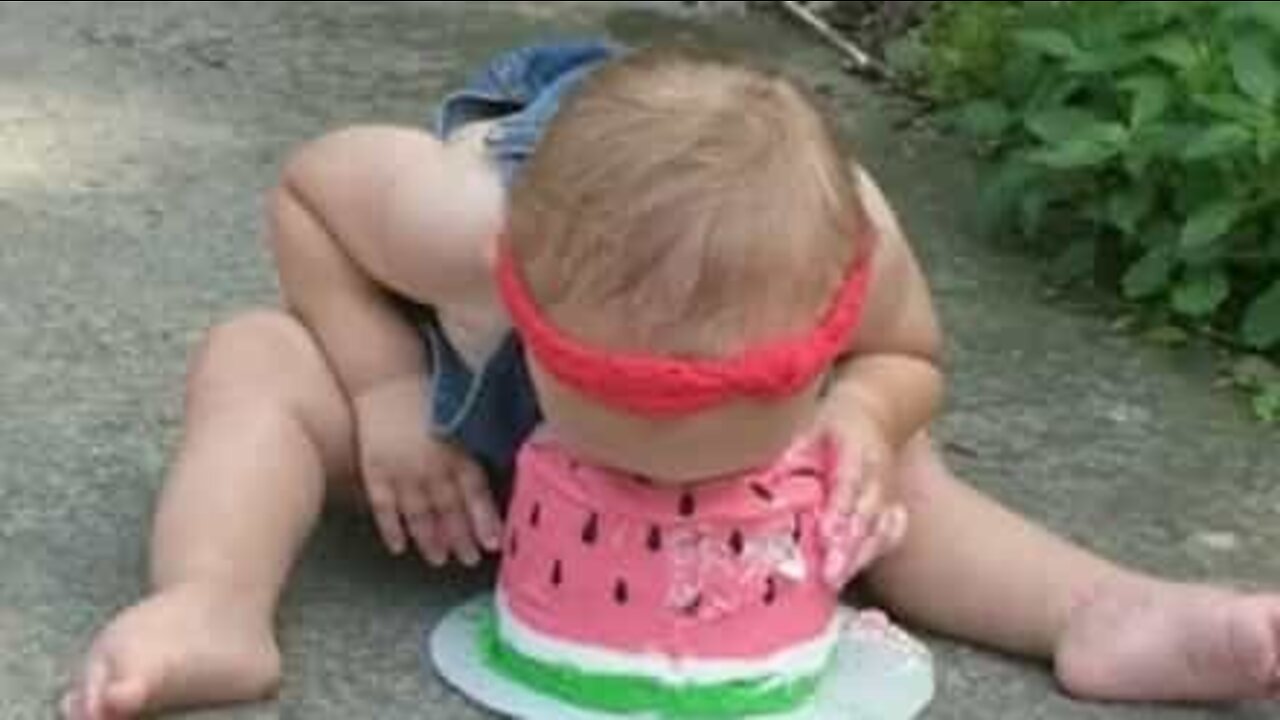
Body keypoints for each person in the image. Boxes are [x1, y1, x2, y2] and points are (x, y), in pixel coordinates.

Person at [62, 41, 1279, 719]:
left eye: (709, 450)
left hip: (772, 517)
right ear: (521, 297)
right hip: (448, 454)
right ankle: (213, 601)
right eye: (628, 441)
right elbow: (305, 193)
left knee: (898, 483)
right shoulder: (464, 220)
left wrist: (854, 415)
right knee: (252, 360)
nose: (652, 488)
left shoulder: (860, 245)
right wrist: (382, 392)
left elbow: (908, 361)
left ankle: (1104, 607)